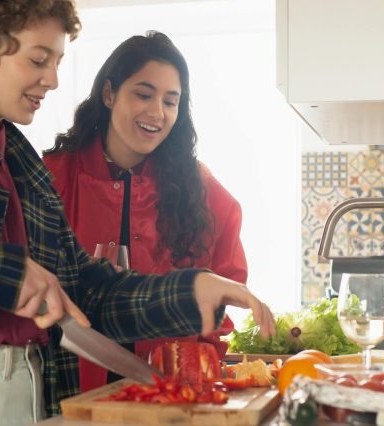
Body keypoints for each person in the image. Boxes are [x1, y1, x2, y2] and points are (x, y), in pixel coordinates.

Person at [0, 1, 275, 425]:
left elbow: (86, 293)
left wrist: (190, 290)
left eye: (57, 61)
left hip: (38, 393)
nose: (54, 79)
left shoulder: (27, 169)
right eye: (39, 60)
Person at [43, 31, 250, 393]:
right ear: (109, 94)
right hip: (68, 390)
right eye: (143, 94)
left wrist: (198, 369)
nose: (157, 113)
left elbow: (224, 293)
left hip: (167, 394)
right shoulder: (49, 177)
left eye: (171, 102)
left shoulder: (203, 192)